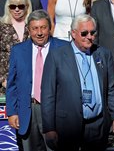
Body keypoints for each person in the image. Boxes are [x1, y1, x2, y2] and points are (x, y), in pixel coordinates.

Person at [41, 14, 114, 151]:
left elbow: (111, 89)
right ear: (73, 33)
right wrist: (49, 128)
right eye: (84, 33)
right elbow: (48, 94)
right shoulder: (57, 56)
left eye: (92, 33)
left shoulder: (103, 54)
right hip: (67, 126)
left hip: (97, 125)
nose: (89, 37)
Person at [6, 10, 68, 151]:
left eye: (43, 27)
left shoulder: (64, 47)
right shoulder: (18, 50)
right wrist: (12, 112)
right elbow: (12, 85)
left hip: (55, 110)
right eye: (35, 28)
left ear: (50, 28)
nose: (39, 33)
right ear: (29, 29)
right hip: (28, 111)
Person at [0, 0, 32, 95]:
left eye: (21, 6)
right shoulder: (2, 27)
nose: (17, 10)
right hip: (5, 85)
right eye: (13, 6)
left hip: (30, 84)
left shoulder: (33, 27)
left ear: (27, 6)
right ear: (8, 7)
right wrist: (2, 80)